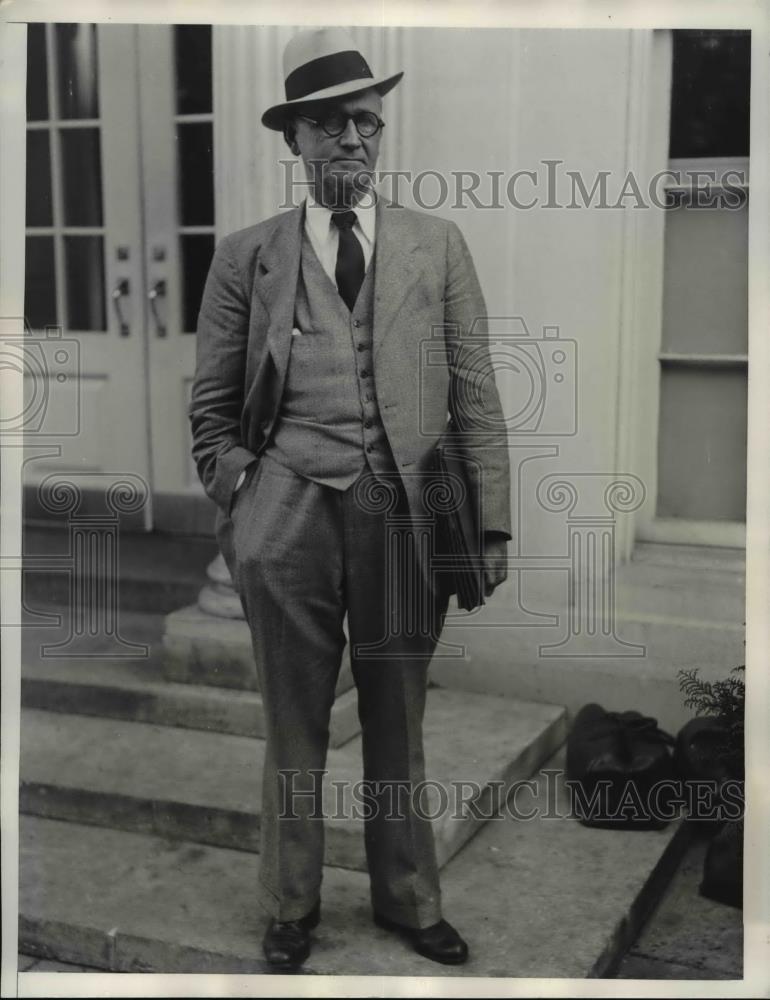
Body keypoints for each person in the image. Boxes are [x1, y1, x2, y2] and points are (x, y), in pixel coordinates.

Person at [189, 26, 511, 971]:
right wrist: (242, 497)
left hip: (405, 514)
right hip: (286, 511)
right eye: (330, 126)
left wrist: (488, 522)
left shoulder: (436, 246)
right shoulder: (246, 255)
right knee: (294, 723)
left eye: (367, 123)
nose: (354, 142)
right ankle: (290, 905)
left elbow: (477, 391)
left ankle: (409, 902)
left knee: (398, 717)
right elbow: (210, 405)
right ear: (294, 141)